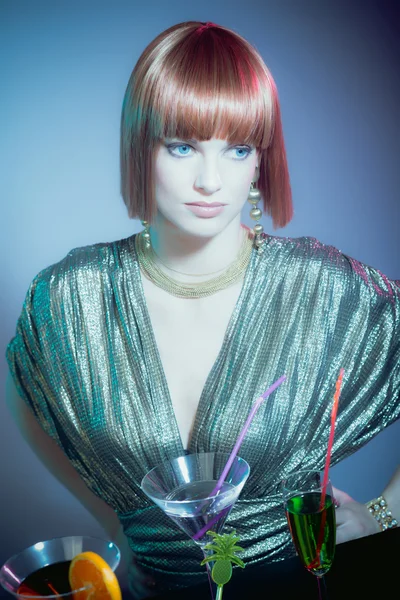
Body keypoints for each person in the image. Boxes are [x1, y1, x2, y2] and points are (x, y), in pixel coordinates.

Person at [5, 20, 399, 599]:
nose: (211, 180)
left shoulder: (320, 285)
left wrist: (387, 513)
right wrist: (113, 518)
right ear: (143, 148)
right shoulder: (69, 296)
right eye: (183, 146)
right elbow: (28, 394)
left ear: (259, 162)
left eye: (237, 149)